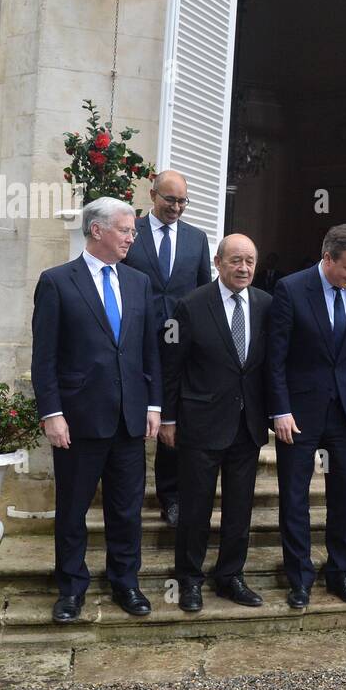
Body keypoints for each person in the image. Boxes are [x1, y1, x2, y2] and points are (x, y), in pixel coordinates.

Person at [31, 197, 161, 623]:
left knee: (126, 509)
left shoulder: (139, 282)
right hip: (78, 420)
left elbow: (148, 352)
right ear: (97, 230)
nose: (131, 237)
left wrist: (154, 404)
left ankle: (126, 582)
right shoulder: (56, 282)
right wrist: (51, 413)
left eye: (132, 231)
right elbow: (44, 358)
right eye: (125, 230)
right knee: (72, 510)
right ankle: (71, 589)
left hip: (129, 419)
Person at [267, 224, 346, 610]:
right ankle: (299, 577)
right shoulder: (291, 289)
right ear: (328, 258)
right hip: (298, 414)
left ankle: (340, 574)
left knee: (344, 497)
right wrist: (279, 409)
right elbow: (275, 358)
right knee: (295, 497)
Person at [159, 234, 271, 612]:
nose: (243, 268)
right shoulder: (189, 306)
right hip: (200, 423)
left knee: (240, 507)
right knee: (195, 507)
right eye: (236, 260)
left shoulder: (266, 305)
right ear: (218, 262)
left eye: (250, 261)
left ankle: (230, 577)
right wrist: (168, 418)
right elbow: (171, 367)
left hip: (247, 424)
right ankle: (188, 580)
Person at [122, 170, 213, 530]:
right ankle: (125, 494)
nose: (176, 207)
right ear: (153, 194)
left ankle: (171, 497)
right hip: (135, 341)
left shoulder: (197, 238)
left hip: (181, 346)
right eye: (169, 200)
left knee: (174, 421)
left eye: (182, 201)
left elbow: (204, 289)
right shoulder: (132, 231)